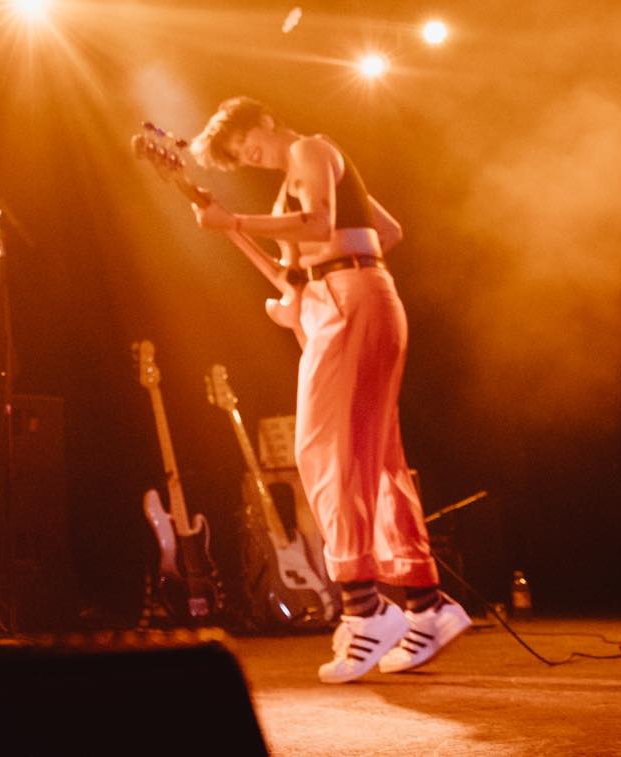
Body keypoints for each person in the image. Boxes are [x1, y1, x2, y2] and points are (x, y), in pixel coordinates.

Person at [187, 96, 470, 683]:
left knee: (322, 450)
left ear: (263, 120)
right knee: (376, 458)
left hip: (352, 303)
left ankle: (364, 609)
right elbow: (384, 231)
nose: (250, 156)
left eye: (246, 144)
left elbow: (319, 224)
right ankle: (426, 604)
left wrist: (237, 223)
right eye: (239, 156)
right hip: (350, 301)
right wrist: (298, 291)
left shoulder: (311, 149)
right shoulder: (288, 188)